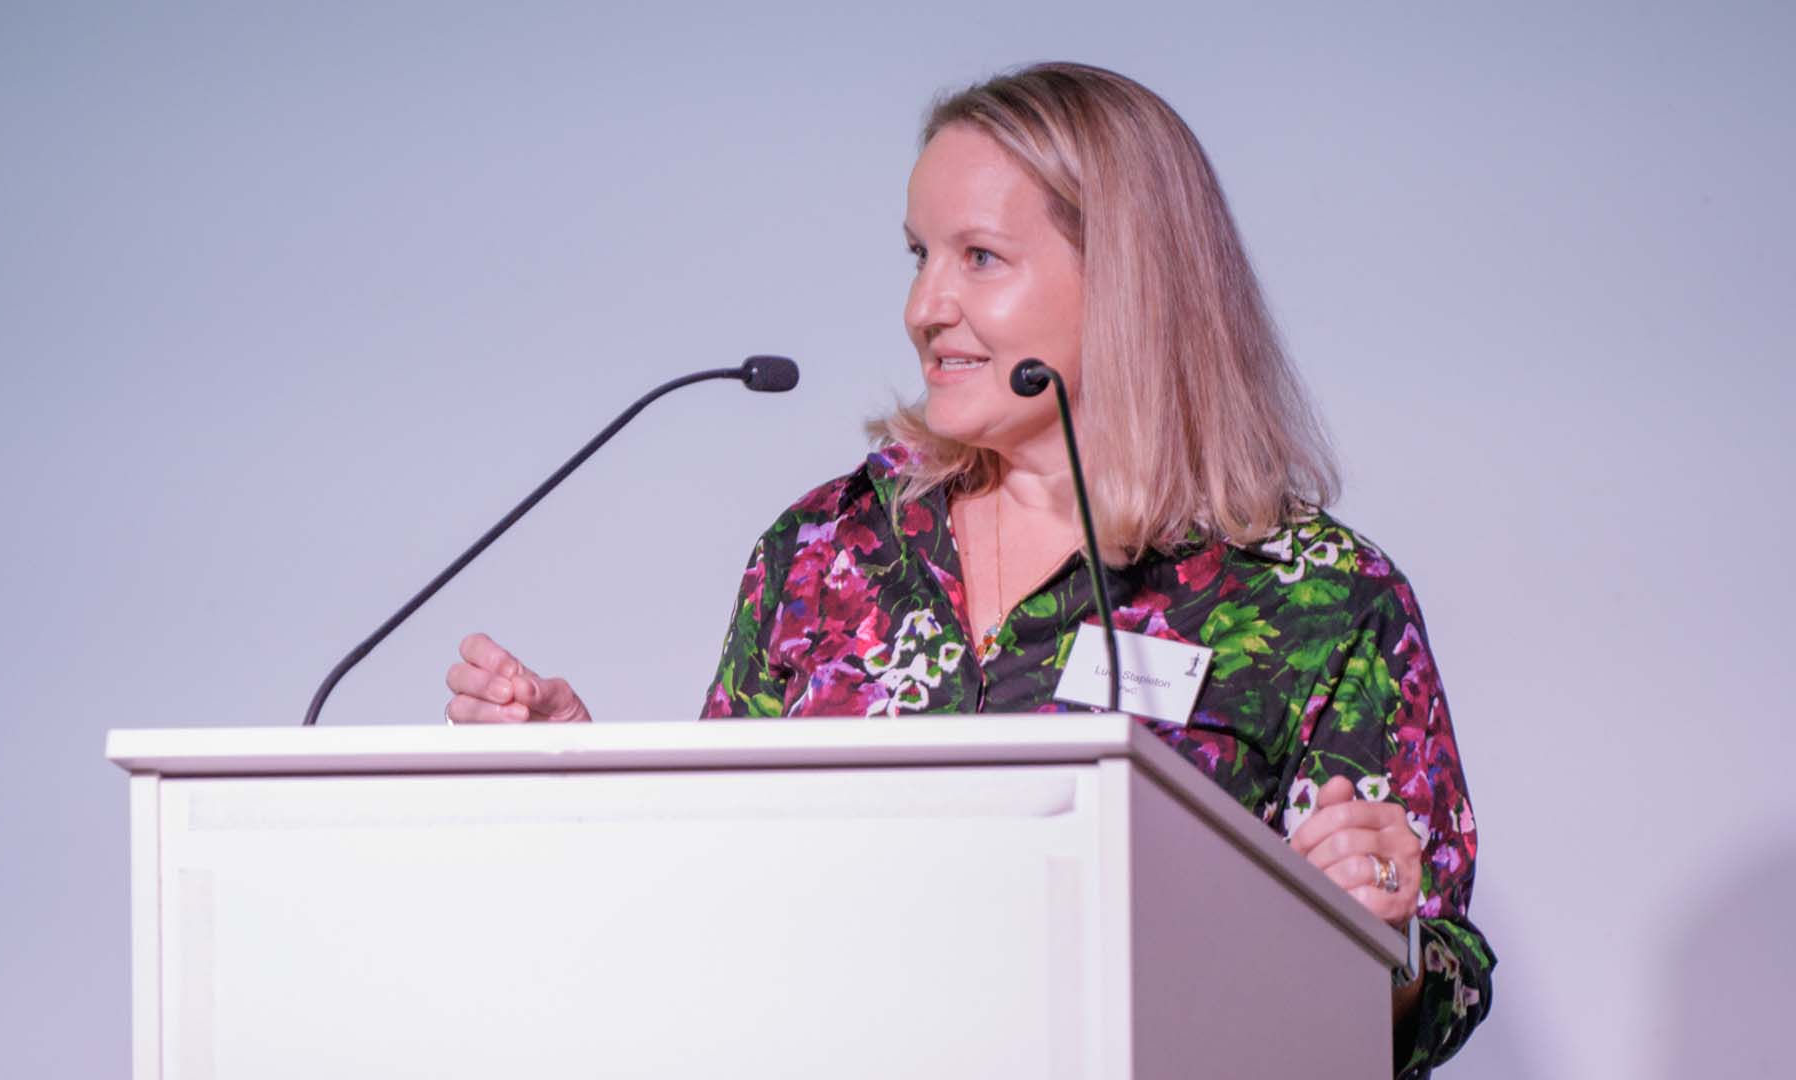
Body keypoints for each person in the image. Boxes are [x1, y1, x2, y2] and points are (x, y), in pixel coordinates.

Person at [442, 62, 1492, 1077]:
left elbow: (1437, 988)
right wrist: (581, 789)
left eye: (979, 258)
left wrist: (1383, 941)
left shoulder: (1321, 595)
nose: (924, 309)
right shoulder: (824, 551)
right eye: (918, 256)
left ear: (1130, 276)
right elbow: (719, 901)